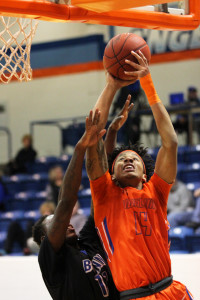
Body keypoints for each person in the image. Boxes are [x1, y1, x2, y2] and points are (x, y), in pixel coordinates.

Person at [86, 50, 193, 299]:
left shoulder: (156, 190)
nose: (128, 160)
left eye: (134, 158)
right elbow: (93, 137)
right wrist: (111, 86)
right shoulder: (105, 194)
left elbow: (171, 142)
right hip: (136, 296)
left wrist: (147, 81)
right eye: (121, 159)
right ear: (110, 175)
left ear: (146, 174)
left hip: (172, 290)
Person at [32, 110, 119, 300]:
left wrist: (111, 134)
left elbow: (101, 191)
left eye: (64, 221)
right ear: (45, 238)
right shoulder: (51, 260)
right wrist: (80, 149)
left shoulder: (86, 241)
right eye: (57, 223)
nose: (67, 222)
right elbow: (66, 203)